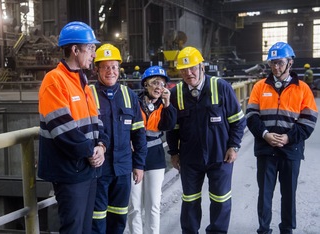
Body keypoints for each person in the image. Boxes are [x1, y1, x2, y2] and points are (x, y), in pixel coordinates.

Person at [38, 21, 109, 234]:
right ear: (75, 50)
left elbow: (97, 120)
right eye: (90, 48)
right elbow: (62, 129)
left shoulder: (82, 81)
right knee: (73, 228)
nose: (94, 54)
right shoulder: (54, 80)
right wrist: (91, 151)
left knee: (85, 228)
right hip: (69, 171)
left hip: (87, 168)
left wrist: (102, 146)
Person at [166, 46, 246, 234]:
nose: (188, 73)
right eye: (184, 70)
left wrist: (234, 147)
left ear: (202, 66)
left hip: (220, 157)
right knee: (190, 200)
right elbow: (172, 128)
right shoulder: (177, 93)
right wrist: (174, 153)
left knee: (220, 199)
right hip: (190, 158)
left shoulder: (221, 87)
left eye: (192, 68)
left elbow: (238, 121)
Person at [245, 42, 318, 234]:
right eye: (272, 63)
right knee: (265, 194)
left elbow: (309, 120)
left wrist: (288, 138)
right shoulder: (260, 87)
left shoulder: (302, 89)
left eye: (279, 62)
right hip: (266, 148)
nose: (275, 67)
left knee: (288, 194)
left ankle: (287, 229)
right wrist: (265, 135)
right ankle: (263, 229)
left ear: (290, 62)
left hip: (291, 150)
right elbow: (251, 116)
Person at [90, 43, 148, 234]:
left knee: (119, 217)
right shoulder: (88, 95)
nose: (110, 71)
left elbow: (139, 134)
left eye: (114, 67)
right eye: (105, 67)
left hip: (123, 169)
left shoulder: (129, 95)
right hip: (97, 169)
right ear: (97, 69)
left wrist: (138, 165)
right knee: (97, 219)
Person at [127, 66, 177, 234]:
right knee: (134, 205)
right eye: (155, 83)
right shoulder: (134, 103)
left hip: (154, 157)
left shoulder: (165, 107)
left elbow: (168, 125)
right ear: (145, 84)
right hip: (133, 156)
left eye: (162, 84)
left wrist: (168, 104)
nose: (158, 87)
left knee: (153, 204)